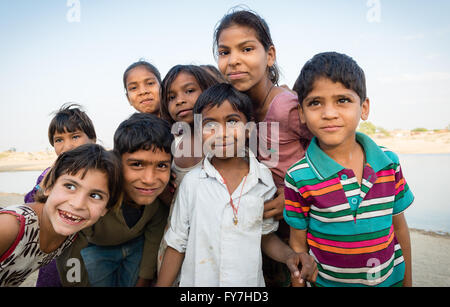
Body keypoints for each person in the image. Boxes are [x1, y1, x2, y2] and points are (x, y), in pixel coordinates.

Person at [156, 83, 316, 287]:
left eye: (232, 121)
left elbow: (264, 235)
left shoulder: (263, 179)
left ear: (249, 129)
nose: (222, 133)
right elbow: (177, 244)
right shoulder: (192, 182)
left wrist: (289, 256)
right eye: (210, 125)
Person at [284, 52, 414, 287]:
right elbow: (298, 245)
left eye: (342, 100)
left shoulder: (389, 163)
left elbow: (400, 228)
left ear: (364, 108)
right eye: (315, 103)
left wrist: (408, 283)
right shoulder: (298, 177)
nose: (329, 113)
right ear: (302, 113)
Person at [213, 8, 313, 286]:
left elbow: (329, 149)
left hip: (307, 223)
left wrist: (295, 196)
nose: (234, 61)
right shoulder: (238, 110)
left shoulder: (285, 106)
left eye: (246, 49)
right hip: (269, 229)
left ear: (269, 55)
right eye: (224, 52)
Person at [56, 113, 173, 287]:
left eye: (162, 165)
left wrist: (144, 280)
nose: (149, 179)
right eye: (137, 164)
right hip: (94, 249)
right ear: (116, 161)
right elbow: (70, 246)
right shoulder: (95, 192)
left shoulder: (160, 196)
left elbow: (154, 236)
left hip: (136, 248)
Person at [0, 144, 123, 287]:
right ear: (49, 186)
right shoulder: (11, 226)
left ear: (105, 209)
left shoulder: (72, 233)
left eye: (95, 195)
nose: (77, 204)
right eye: (70, 186)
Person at [23, 103, 97, 287]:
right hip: (54, 255)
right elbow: (30, 204)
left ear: (93, 139)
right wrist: (48, 180)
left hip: (91, 253)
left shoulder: (101, 173)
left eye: (75, 136)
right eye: (58, 140)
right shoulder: (50, 174)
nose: (67, 146)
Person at [157, 64, 219, 282]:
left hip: (217, 238)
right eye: (171, 97)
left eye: (189, 91)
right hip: (178, 239)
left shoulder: (225, 141)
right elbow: (170, 197)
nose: (179, 100)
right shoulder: (171, 143)